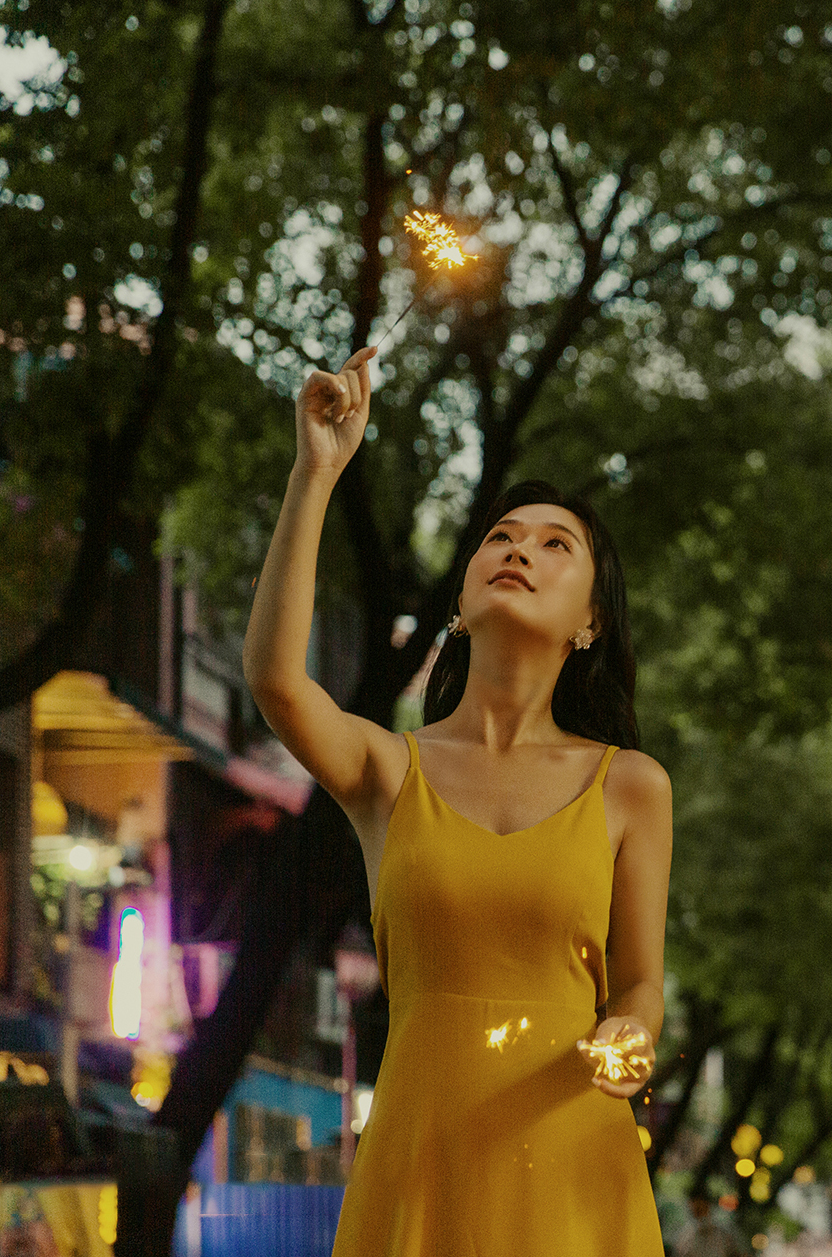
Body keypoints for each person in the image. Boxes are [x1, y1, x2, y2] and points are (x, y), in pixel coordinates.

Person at [244, 346, 672, 1255]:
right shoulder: (387, 769)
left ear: (590, 623)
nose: (519, 549)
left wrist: (630, 1038)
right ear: (459, 601)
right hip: (421, 1162)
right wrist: (316, 472)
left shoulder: (632, 785)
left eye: (555, 545)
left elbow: (639, 980)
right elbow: (277, 680)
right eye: (501, 537)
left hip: (573, 1165)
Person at [675, 1191, 745, 1257]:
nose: (699, 1217)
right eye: (696, 1212)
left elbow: (739, 1253)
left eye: (701, 1211)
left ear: (708, 1206)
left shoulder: (725, 1234)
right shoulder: (684, 1238)